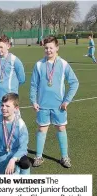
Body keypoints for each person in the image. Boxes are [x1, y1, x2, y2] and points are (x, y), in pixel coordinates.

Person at [30, 36, 79, 168]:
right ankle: (39, 157)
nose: (48, 50)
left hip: (59, 106)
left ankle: (65, 157)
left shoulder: (63, 64)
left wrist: (67, 100)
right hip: (43, 105)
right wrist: (33, 101)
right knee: (41, 129)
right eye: (46, 48)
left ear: (57, 48)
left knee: (61, 128)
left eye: (51, 47)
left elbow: (74, 82)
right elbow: (34, 85)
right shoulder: (39, 65)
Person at [0, 35, 25, 163]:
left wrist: (12, 91)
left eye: (1, 47)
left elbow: (22, 78)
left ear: (8, 46)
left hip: (10, 99)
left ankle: (18, 150)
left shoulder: (15, 60)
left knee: (14, 124)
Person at [0, 93, 30, 175]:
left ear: (16, 108)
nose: (4, 108)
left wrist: (13, 159)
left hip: (16, 155)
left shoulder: (20, 124)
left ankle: (25, 178)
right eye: (2, 105)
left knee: (25, 162)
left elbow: (23, 147)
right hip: (2, 156)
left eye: (7, 106)